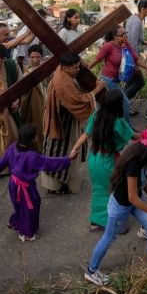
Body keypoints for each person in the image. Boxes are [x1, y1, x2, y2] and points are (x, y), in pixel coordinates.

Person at [84, 127, 147, 286]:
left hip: (133, 204)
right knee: (109, 238)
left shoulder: (141, 156)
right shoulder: (134, 163)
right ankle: (91, 271)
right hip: (120, 207)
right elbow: (132, 198)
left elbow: (141, 182)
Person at [0, 125, 80, 242]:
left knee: (19, 205)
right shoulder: (32, 156)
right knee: (30, 208)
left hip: (13, 183)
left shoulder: (12, 148)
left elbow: (0, 163)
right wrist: (68, 159)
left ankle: (14, 222)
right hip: (25, 187)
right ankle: (27, 234)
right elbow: (49, 163)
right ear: (32, 139)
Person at [69, 88, 133, 231]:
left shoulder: (96, 115)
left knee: (98, 190)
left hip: (94, 158)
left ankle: (95, 221)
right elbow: (133, 136)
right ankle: (112, 223)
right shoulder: (118, 122)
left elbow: (86, 135)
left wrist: (75, 148)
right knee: (113, 192)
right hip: (108, 161)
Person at [42, 52, 103, 194]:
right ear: (65, 68)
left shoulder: (62, 70)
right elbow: (78, 102)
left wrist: (80, 64)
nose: (77, 70)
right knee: (60, 152)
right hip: (61, 123)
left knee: (61, 150)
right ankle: (56, 186)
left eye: (78, 67)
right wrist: (98, 89)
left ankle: (62, 183)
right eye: (74, 68)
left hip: (64, 119)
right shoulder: (63, 83)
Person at [88, 24, 147, 124]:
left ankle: (95, 123)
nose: (125, 36)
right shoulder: (108, 46)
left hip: (116, 80)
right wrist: (85, 68)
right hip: (107, 79)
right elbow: (96, 60)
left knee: (106, 104)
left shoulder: (126, 45)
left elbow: (136, 59)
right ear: (114, 36)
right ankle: (127, 128)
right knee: (125, 102)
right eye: (122, 35)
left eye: (126, 34)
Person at [123, 0, 147, 104]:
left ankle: (123, 105)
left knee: (130, 82)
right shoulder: (137, 22)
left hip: (128, 55)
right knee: (139, 82)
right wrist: (136, 62)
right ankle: (122, 103)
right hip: (131, 56)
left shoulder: (134, 18)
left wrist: (144, 42)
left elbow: (133, 37)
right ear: (143, 9)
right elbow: (133, 43)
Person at [19, 45, 48, 146]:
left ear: (41, 56)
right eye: (32, 57)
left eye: (37, 57)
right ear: (28, 57)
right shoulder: (26, 72)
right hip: (32, 104)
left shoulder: (47, 69)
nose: (35, 60)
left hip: (46, 100)